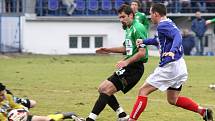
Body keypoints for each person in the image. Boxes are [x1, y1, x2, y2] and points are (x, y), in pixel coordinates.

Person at [127, 3, 213, 121]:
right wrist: (144, 41)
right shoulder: (168, 22)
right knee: (173, 99)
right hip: (180, 66)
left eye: (150, 14)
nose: (150, 16)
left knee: (143, 91)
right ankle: (203, 111)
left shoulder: (162, 25)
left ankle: (131, 119)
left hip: (169, 67)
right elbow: (159, 40)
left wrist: (172, 51)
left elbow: (178, 36)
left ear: (156, 14)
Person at [83, 4, 148, 121]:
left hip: (134, 68)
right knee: (102, 88)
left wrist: (126, 62)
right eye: (119, 17)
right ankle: (122, 115)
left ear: (131, 15)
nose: (121, 20)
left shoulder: (138, 28)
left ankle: (90, 119)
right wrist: (108, 50)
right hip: (129, 66)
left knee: (106, 90)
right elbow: (126, 49)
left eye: (123, 17)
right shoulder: (129, 28)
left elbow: (142, 52)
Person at [0, 83, 76, 121]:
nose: (4, 96)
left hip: (18, 118)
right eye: (1, 95)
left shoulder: (8, 97)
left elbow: (16, 106)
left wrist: (23, 110)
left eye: (4, 94)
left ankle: (61, 115)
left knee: (48, 120)